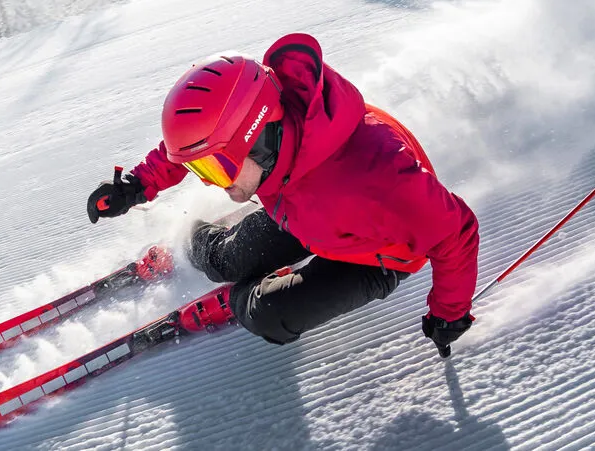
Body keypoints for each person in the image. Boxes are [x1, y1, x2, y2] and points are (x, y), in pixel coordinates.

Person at [86, 33, 479, 354]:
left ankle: (244, 299)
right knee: (222, 260)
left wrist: (449, 314)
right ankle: (194, 246)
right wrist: (138, 185)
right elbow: (200, 138)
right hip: (299, 207)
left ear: (256, 139)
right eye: (200, 170)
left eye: (215, 168)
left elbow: (455, 232)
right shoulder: (271, 142)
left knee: (271, 316)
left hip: (373, 252)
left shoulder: (379, 176)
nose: (209, 182)